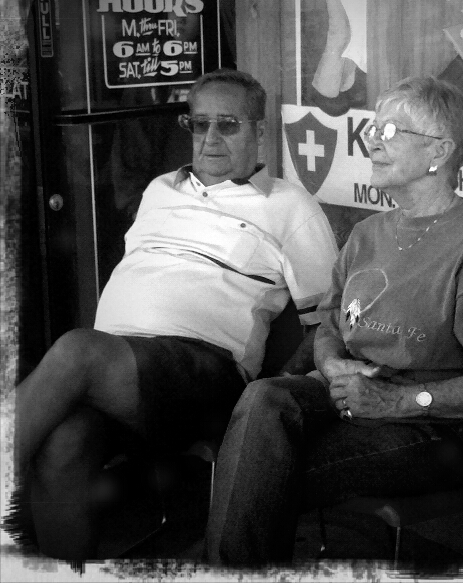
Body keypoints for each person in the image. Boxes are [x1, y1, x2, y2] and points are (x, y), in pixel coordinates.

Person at [205, 75, 463, 566]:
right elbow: (331, 325)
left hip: (441, 427)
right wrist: (332, 363)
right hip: (354, 400)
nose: (372, 142)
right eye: (373, 129)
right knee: (265, 398)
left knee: (257, 474)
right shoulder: (367, 234)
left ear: (439, 151)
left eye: (390, 132)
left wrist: (399, 401)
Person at [8, 69, 339, 560]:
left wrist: (278, 387)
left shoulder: (292, 207)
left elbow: (328, 319)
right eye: (199, 123)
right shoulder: (161, 189)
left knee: (76, 350)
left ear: (259, 130)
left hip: (205, 372)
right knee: (64, 443)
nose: (210, 138)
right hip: (119, 369)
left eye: (227, 124)